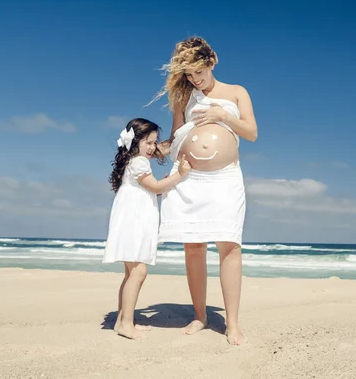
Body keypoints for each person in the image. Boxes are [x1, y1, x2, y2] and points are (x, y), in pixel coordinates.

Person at [149, 36, 258, 345]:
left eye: (199, 72)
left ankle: (233, 324)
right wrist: (152, 150)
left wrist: (222, 116)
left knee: (229, 245)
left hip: (225, 179)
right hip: (189, 180)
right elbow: (175, 137)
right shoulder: (185, 98)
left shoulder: (236, 93)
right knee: (193, 247)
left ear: (213, 62)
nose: (195, 80)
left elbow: (251, 133)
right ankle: (200, 316)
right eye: (189, 75)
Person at [103, 117, 191, 340]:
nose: (153, 147)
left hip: (131, 218)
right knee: (139, 271)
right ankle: (125, 323)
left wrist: (160, 186)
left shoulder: (133, 162)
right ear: (136, 142)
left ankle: (124, 320)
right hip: (135, 221)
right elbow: (154, 186)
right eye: (149, 142)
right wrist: (180, 175)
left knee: (131, 272)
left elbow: (151, 190)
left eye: (155, 142)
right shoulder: (140, 162)